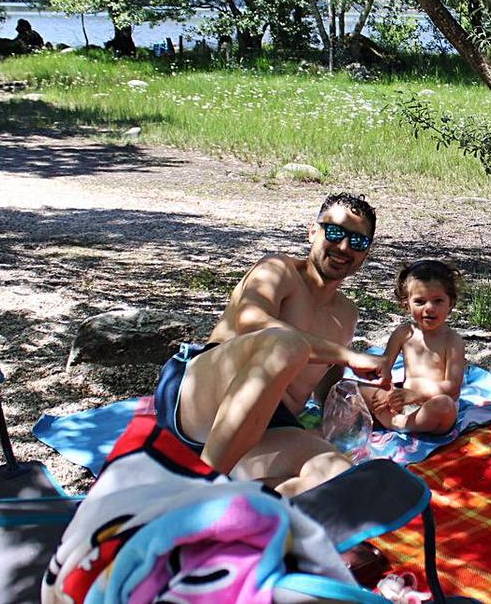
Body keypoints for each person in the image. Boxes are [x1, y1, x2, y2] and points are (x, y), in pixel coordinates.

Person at [152, 193, 386, 496]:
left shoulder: (347, 314)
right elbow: (252, 324)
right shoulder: (278, 271)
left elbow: (327, 389)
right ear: (313, 232)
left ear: (365, 254)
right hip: (202, 398)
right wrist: (348, 356)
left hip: (266, 428)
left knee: (337, 477)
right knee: (285, 345)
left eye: (358, 242)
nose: (343, 247)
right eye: (336, 232)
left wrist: (374, 398)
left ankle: (219, 510)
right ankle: (202, 490)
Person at [358, 259, 466, 434]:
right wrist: (387, 391)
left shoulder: (452, 341)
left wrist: (416, 395)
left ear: (451, 303)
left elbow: (452, 387)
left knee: (445, 407)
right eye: (420, 301)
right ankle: (393, 416)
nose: (430, 308)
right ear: (406, 304)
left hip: (431, 405)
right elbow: (384, 367)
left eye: (438, 301)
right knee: (353, 387)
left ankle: (399, 424)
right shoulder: (403, 333)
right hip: (402, 402)